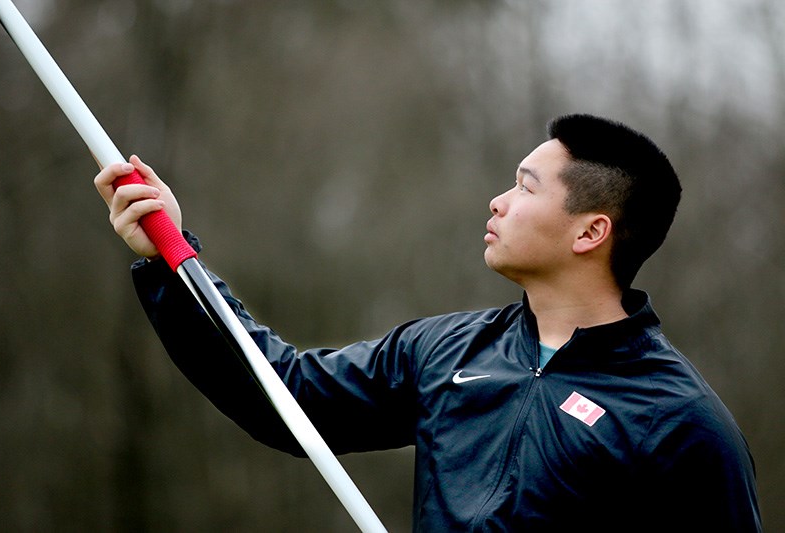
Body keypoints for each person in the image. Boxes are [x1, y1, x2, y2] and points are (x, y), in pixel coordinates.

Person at [95, 114, 762, 531]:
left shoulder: (684, 426)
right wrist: (174, 264)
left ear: (591, 230)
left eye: (526, 187)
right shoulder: (443, 352)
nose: (498, 201)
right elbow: (287, 395)